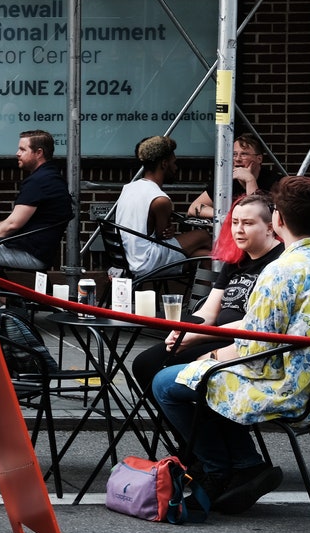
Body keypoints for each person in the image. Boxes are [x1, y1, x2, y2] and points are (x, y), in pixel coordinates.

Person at [153, 177, 310, 513]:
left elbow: (254, 354)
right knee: (192, 375)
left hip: (286, 389)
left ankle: (222, 468)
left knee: (166, 382)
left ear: (277, 221)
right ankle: (240, 465)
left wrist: (207, 356)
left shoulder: (280, 271)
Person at [130, 192, 281, 394]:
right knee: (144, 364)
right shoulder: (237, 261)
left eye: (247, 223)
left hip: (242, 346)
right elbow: (208, 312)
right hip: (214, 336)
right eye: (235, 223)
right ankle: (182, 424)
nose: (239, 230)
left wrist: (197, 337)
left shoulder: (280, 264)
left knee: (168, 373)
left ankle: (202, 422)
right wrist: (182, 332)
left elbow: (256, 322)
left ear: (270, 227)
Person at [0, 130, 73, 270]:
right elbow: (13, 220)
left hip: (29, 253)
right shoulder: (49, 176)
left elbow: (12, 225)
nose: (17, 153)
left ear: (39, 153)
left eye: (22, 149)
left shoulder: (39, 182)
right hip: (33, 249)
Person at [112, 135, 213, 279]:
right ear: (164, 164)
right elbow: (162, 237)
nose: (176, 167)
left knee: (206, 256)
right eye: (174, 163)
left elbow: (158, 231)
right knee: (203, 235)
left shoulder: (129, 188)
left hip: (127, 258)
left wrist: (167, 229)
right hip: (146, 261)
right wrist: (168, 228)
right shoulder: (160, 199)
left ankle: (202, 300)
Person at [188, 131, 283, 219]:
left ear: (259, 159)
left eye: (244, 154)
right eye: (234, 154)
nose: (237, 159)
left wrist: (250, 180)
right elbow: (193, 208)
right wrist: (228, 217)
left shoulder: (276, 182)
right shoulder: (226, 180)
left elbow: (257, 216)